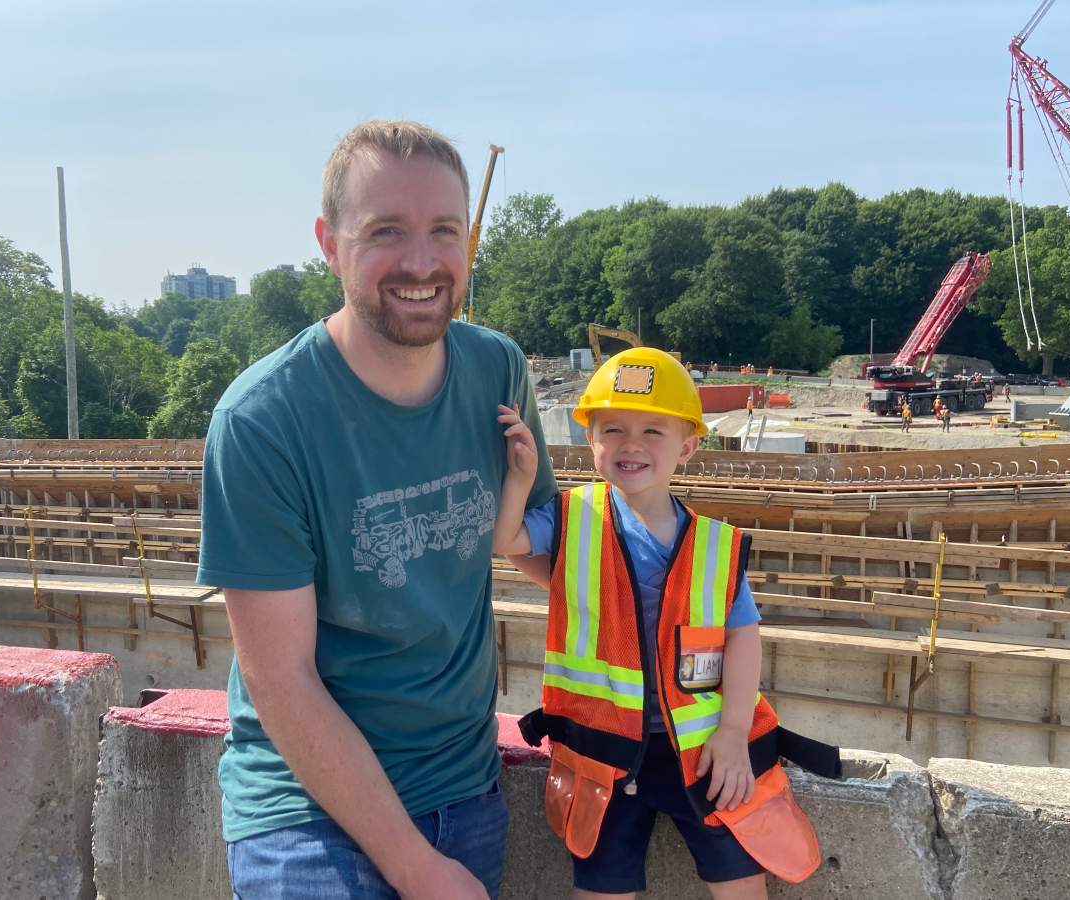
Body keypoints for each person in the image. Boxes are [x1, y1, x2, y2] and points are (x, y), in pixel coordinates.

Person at [197, 120, 558, 900]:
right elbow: (281, 678)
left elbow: (546, 551)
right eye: (386, 231)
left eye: (443, 231)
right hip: (305, 809)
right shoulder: (264, 420)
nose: (422, 262)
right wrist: (417, 868)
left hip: (463, 787)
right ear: (330, 243)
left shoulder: (497, 369)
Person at [494, 348, 837, 900]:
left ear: (689, 445)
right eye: (613, 428)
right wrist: (522, 478)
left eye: (654, 430)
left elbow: (743, 636)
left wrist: (731, 734)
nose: (632, 443)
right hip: (602, 757)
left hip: (702, 754)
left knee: (740, 882)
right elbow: (505, 540)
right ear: (591, 440)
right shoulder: (571, 519)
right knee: (602, 886)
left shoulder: (713, 547)